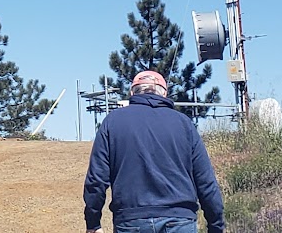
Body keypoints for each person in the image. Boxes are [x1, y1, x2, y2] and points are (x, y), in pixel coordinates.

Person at [83, 70, 224, 233]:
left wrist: (93, 223)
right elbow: (205, 181)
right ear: (164, 93)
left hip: (131, 221)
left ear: (132, 93)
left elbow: (96, 178)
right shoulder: (184, 124)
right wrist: (216, 225)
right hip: (179, 221)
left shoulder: (113, 122)